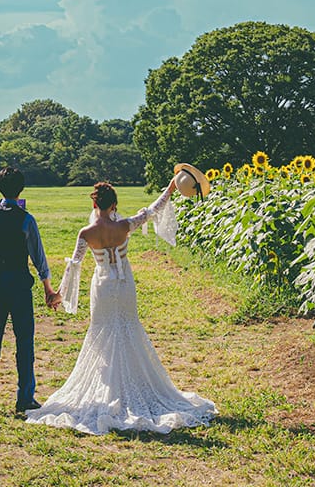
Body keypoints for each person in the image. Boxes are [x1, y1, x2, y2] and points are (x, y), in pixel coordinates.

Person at [25, 168, 217, 435]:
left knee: (103, 334)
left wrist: (57, 294)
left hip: (102, 288)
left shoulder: (86, 233)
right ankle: (134, 386)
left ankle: (110, 387)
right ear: (113, 204)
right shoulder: (125, 225)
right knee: (128, 329)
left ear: (94, 204)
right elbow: (152, 210)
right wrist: (171, 188)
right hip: (125, 287)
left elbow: (74, 266)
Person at [0, 166, 61, 412]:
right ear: (20, 190)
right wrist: (48, 289)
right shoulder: (26, 219)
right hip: (20, 284)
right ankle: (24, 398)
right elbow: (38, 257)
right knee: (24, 342)